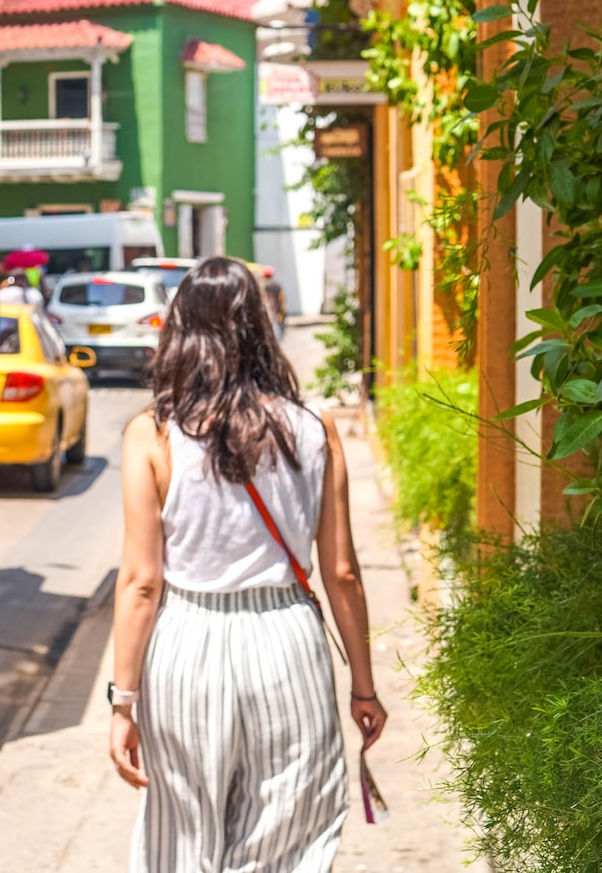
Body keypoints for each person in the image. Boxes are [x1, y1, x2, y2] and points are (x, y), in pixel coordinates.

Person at [108, 257, 386, 872]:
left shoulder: (152, 435)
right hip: (285, 640)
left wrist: (122, 702)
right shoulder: (315, 429)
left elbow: (141, 583)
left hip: (185, 644)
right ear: (260, 327)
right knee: (287, 836)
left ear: (180, 330)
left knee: (181, 838)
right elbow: (341, 573)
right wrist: (363, 687)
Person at [261, 266, 286, 341]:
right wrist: (283, 309)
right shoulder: (277, 285)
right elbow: (282, 297)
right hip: (278, 310)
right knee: (280, 332)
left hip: (269, 311)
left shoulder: (263, 286)